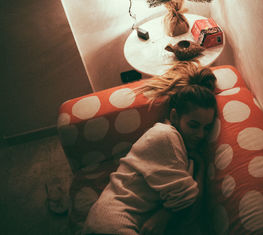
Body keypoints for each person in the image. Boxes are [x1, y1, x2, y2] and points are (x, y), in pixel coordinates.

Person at [83, 61, 217, 235]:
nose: (201, 134)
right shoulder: (165, 136)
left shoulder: (184, 150)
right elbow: (188, 199)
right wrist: (165, 214)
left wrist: (200, 165)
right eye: (194, 125)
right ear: (175, 116)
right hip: (114, 219)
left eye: (206, 128)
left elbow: (190, 208)